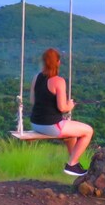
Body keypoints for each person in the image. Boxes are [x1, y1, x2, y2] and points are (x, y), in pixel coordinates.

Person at [30, 48, 93, 176]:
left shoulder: (36, 77)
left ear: (44, 62)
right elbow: (62, 108)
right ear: (58, 62)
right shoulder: (58, 81)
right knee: (88, 131)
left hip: (35, 124)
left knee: (71, 135)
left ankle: (75, 163)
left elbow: (32, 101)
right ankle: (71, 165)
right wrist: (70, 105)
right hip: (51, 126)